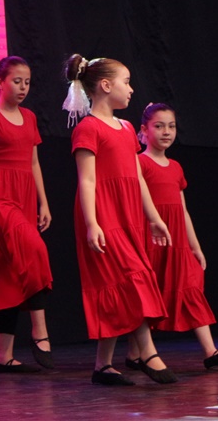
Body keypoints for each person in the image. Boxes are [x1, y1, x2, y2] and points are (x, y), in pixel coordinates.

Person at [62, 54, 178, 386]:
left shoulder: (127, 128)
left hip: (128, 214)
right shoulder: (88, 128)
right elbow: (87, 180)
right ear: (105, 85)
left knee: (119, 281)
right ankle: (148, 353)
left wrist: (153, 218)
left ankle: (102, 365)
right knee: (131, 277)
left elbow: (136, 178)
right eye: (126, 82)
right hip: (103, 213)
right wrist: (92, 223)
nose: (131, 89)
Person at [125, 103, 218, 370]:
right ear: (144, 130)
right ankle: (135, 353)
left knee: (190, 286)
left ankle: (210, 351)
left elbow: (182, 210)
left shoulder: (176, 167)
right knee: (148, 293)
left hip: (176, 241)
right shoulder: (140, 163)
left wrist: (194, 246)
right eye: (159, 126)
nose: (166, 132)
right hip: (152, 240)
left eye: (171, 126)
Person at [0, 56, 54, 373]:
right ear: (0, 82)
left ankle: (4, 357)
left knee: (11, 272)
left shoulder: (29, 118)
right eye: (17, 81)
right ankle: (40, 332)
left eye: (27, 82)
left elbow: (34, 163)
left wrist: (44, 203)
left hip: (24, 196)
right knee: (35, 251)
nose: (22, 87)